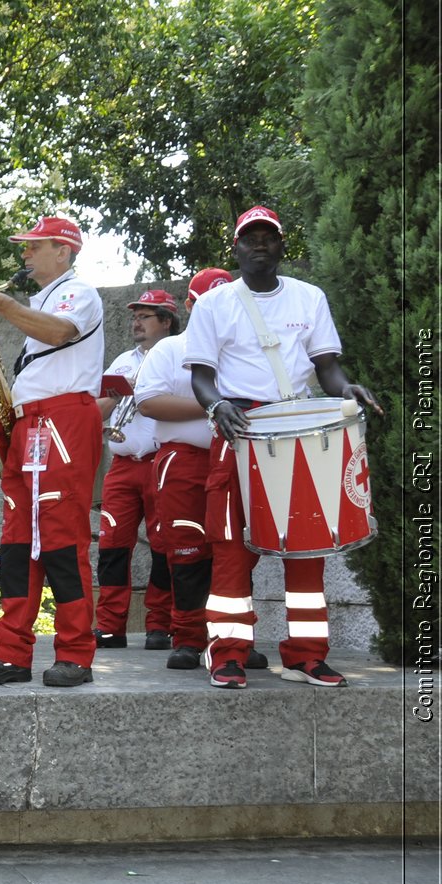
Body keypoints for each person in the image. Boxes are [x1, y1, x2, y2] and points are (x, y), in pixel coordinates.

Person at [185, 205, 382, 689]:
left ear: (280, 246)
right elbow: (201, 377)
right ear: (235, 247)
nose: (258, 244)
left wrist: (346, 389)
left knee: (308, 546)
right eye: (249, 237)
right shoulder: (215, 304)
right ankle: (227, 653)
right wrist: (216, 408)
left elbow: (327, 366)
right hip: (239, 429)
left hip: (298, 424)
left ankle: (306, 656)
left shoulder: (308, 297)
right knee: (231, 548)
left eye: (267, 237)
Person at [0, 216, 104, 687]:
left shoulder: (77, 292)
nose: (24, 254)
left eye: (33, 246)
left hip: (62, 418)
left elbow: (59, 333)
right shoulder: (44, 296)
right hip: (31, 421)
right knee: (18, 542)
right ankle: (11, 652)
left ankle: (76, 653)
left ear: (63, 251)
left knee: (63, 540)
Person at [133, 269, 240, 670]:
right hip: (185, 461)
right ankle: (190, 637)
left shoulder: (242, 349)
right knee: (188, 549)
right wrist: (218, 403)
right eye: (208, 302)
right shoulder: (172, 349)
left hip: (236, 459)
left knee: (236, 552)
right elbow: (148, 402)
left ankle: (231, 637)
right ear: (192, 306)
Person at [93, 290, 179, 651]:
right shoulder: (122, 360)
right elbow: (96, 411)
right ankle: (111, 626)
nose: (136, 322)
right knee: (112, 545)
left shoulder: (179, 356)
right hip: (123, 466)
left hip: (161, 462)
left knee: (165, 547)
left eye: (146, 316)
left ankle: (160, 624)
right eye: (135, 316)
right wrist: (113, 398)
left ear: (166, 321)